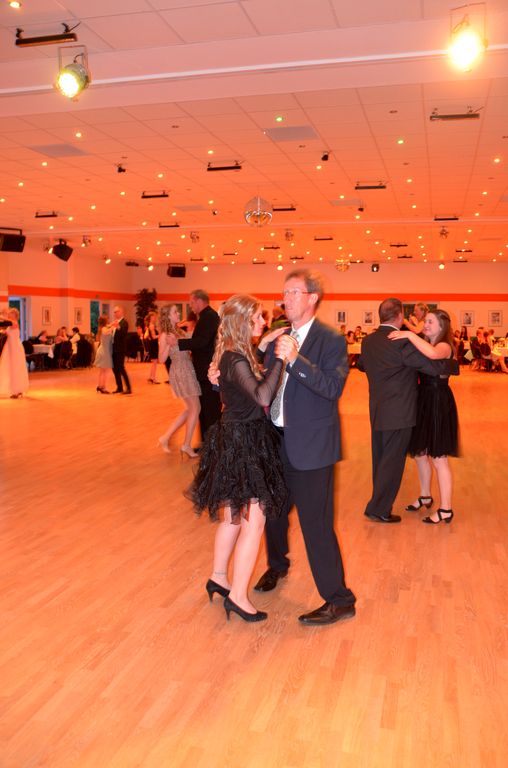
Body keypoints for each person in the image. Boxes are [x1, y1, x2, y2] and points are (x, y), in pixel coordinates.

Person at [254, 269, 356, 626]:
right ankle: (277, 565)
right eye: (284, 293)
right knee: (274, 513)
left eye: (294, 292)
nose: (286, 299)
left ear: (313, 297)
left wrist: (297, 360)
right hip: (276, 441)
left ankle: (340, 600)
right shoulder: (280, 336)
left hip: (311, 447)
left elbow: (332, 388)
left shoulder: (331, 340)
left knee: (316, 525)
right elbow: (265, 386)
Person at [188, 294, 288, 623]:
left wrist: (265, 345)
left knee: (233, 517)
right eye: (258, 317)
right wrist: (280, 359)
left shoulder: (232, 353)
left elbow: (239, 377)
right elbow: (261, 394)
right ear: (243, 321)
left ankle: (219, 577)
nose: (263, 322)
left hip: (235, 438)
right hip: (245, 441)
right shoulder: (234, 357)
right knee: (253, 523)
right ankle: (239, 596)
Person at [357, 298, 458, 524]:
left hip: (378, 409)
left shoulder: (369, 340)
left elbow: (362, 365)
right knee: (392, 462)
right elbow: (431, 366)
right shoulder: (401, 342)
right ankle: (379, 508)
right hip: (400, 411)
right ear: (400, 316)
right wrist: (454, 365)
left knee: (381, 459)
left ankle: (383, 503)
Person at [388, 309, 459, 524]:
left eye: (430, 322)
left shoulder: (444, 345)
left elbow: (434, 354)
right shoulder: (426, 343)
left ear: (442, 326)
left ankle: (446, 509)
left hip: (438, 402)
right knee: (420, 453)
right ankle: (425, 495)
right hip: (424, 400)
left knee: (439, 459)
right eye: (425, 321)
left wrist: (409, 334)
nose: (425, 325)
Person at [168, 289, 221, 440]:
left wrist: (179, 343)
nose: (190, 306)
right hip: (203, 370)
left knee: (210, 410)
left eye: (191, 302)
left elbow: (203, 341)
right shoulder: (206, 316)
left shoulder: (209, 316)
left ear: (199, 301)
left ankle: (211, 443)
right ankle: (206, 442)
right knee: (204, 409)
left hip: (207, 370)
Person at [157, 304, 201, 457]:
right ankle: (186, 445)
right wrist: (168, 346)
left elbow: (188, 347)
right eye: (175, 312)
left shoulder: (179, 331)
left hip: (188, 369)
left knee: (191, 409)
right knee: (195, 408)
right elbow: (161, 359)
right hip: (180, 371)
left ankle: (166, 437)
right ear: (168, 316)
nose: (178, 314)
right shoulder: (165, 335)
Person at [0, 308, 29, 399]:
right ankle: (14, 390)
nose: (9, 315)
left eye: (11, 314)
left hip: (15, 348)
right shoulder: (10, 324)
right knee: (10, 368)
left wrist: (2, 316)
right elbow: (4, 330)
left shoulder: (15, 323)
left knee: (16, 368)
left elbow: (7, 321)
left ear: (15, 315)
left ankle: (17, 390)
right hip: (10, 348)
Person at [111, 305, 132, 394]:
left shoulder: (124, 322)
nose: (115, 313)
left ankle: (128, 388)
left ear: (121, 312)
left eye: (116, 312)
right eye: (114, 312)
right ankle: (119, 387)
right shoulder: (115, 323)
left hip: (120, 349)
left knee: (121, 368)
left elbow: (124, 334)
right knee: (114, 368)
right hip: (114, 349)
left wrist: (118, 327)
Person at [94, 314, 113, 394]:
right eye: (107, 319)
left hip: (103, 350)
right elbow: (106, 332)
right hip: (104, 351)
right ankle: (103, 387)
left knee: (103, 370)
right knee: (106, 370)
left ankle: (100, 386)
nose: (109, 320)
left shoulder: (102, 328)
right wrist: (113, 327)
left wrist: (112, 325)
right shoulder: (104, 329)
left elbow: (109, 326)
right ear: (105, 321)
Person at [144, 311, 160, 384]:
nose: (155, 318)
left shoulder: (150, 325)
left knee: (154, 362)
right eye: (154, 317)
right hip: (154, 345)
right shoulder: (151, 326)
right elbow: (154, 337)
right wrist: (161, 335)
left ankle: (151, 377)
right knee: (155, 362)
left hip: (153, 344)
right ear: (151, 317)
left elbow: (146, 336)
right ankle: (153, 378)